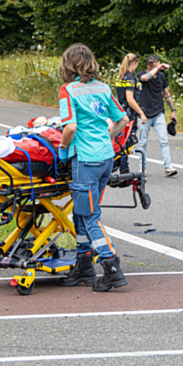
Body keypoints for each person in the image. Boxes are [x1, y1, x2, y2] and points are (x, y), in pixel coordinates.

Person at [56, 43, 130, 292]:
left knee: (88, 215)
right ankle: (84, 265)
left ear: (68, 65)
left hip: (85, 161)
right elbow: (122, 119)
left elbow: (70, 128)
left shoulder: (68, 90)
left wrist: (63, 152)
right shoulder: (103, 88)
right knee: (81, 212)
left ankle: (111, 267)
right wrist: (106, 139)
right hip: (105, 159)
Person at [137, 55, 178, 177]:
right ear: (149, 67)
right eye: (157, 66)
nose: (160, 69)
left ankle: (168, 166)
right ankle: (142, 168)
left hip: (158, 112)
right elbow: (145, 78)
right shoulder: (140, 74)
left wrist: (173, 110)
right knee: (143, 142)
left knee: (164, 140)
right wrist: (158, 68)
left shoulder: (161, 76)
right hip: (144, 113)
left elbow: (166, 94)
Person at [115, 53, 146, 175]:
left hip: (120, 112)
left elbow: (118, 97)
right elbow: (130, 99)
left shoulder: (121, 77)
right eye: (137, 64)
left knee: (120, 138)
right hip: (129, 113)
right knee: (127, 140)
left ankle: (121, 166)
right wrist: (141, 113)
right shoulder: (130, 78)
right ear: (134, 63)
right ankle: (124, 168)